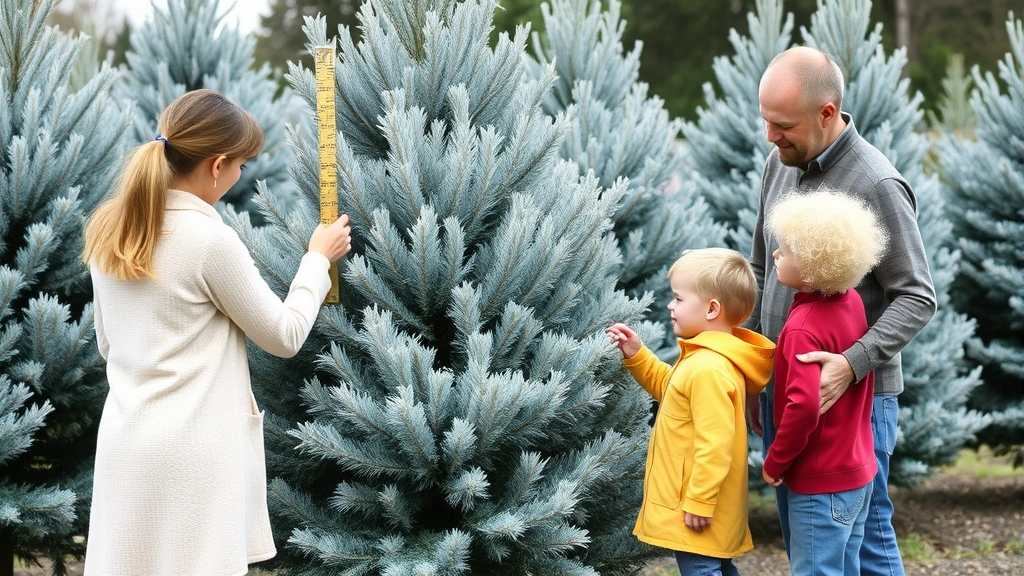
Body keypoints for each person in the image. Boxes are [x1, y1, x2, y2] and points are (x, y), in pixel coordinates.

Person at [82, 89, 352, 575]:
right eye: (241, 165)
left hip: (125, 446)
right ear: (216, 164)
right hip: (192, 459)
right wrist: (317, 259)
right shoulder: (209, 240)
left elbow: (108, 343)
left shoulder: (110, 230)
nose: (239, 176)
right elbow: (284, 334)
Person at [748, 46, 937, 576]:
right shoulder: (777, 163)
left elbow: (918, 296)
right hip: (787, 392)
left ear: (827, 112)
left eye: (782, 124)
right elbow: (761, 270)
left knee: (868, 547)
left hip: (858, 403)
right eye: (765, 121)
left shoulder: (877, 183)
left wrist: (850, 364)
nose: (770, 136)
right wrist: (752, 368)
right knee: (809, 548)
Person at [607, 248, 775, 576]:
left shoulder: (708, 368)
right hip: (706, 504)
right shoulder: (706, 359)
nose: (670, 305)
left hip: (698, 507)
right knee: (715, 569)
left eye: (678, 299)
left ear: (712, 308)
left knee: (701, 570)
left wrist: (699, 500)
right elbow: (675, 394)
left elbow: (716, 443)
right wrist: (638, 356)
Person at [760, 189, 888, 575]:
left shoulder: (801, 329)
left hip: (819, 482)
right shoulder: (850, 301)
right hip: (858, 471)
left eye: (786, 250)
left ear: (814, 268)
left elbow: (803, 406)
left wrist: (775, 461)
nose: (776, 254)